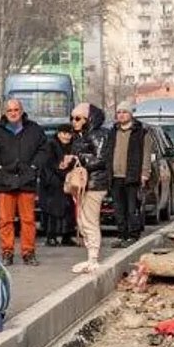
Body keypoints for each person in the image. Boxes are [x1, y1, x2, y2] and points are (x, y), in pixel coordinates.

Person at [0, 99, 49, 266]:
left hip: (26, 180)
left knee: (28, 219)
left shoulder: (34, 129)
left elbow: (44, 149)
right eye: (9, 110)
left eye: (16, 110)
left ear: (21, 111)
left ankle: (28, 252)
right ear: (5, 112)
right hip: (4, 182)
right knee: (5, 220)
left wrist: (34, 167)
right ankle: (7, 252)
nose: (13, 113)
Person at [100, 102, 153, 247]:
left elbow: (146, 154)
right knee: (118, 208)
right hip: (115, 176)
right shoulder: (113, 131)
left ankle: (133, 235)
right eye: (119, 112)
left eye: (125, 112)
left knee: (132, 208)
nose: (121, 115)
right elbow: (107, 153)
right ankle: (122, 235)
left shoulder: (141, 132)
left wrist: (144, 173)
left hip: (132, 176)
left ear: (131, 114)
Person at [69, 102, 110, 273]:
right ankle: (90, 256)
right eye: (72, 118)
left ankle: (93, 258)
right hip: (84, 183)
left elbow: (101, 159)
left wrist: (80, 160)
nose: (74, 122)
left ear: (88, 119)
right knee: (82, 220)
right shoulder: (81, 136)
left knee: (89, 221)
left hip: (94, 183)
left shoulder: (97, 135)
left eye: (78, 118)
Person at [40, 123, 77, 247]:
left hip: (67, 182)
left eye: (69, 134)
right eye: (64, 133)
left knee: (68, 209)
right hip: (53, 182)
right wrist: (61, 169)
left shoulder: (72, 146)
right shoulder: (51, 144)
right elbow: (49, 163)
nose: (67, 136)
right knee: (53, 211)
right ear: (59, 133)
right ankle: (51, 236)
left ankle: (67, 236)